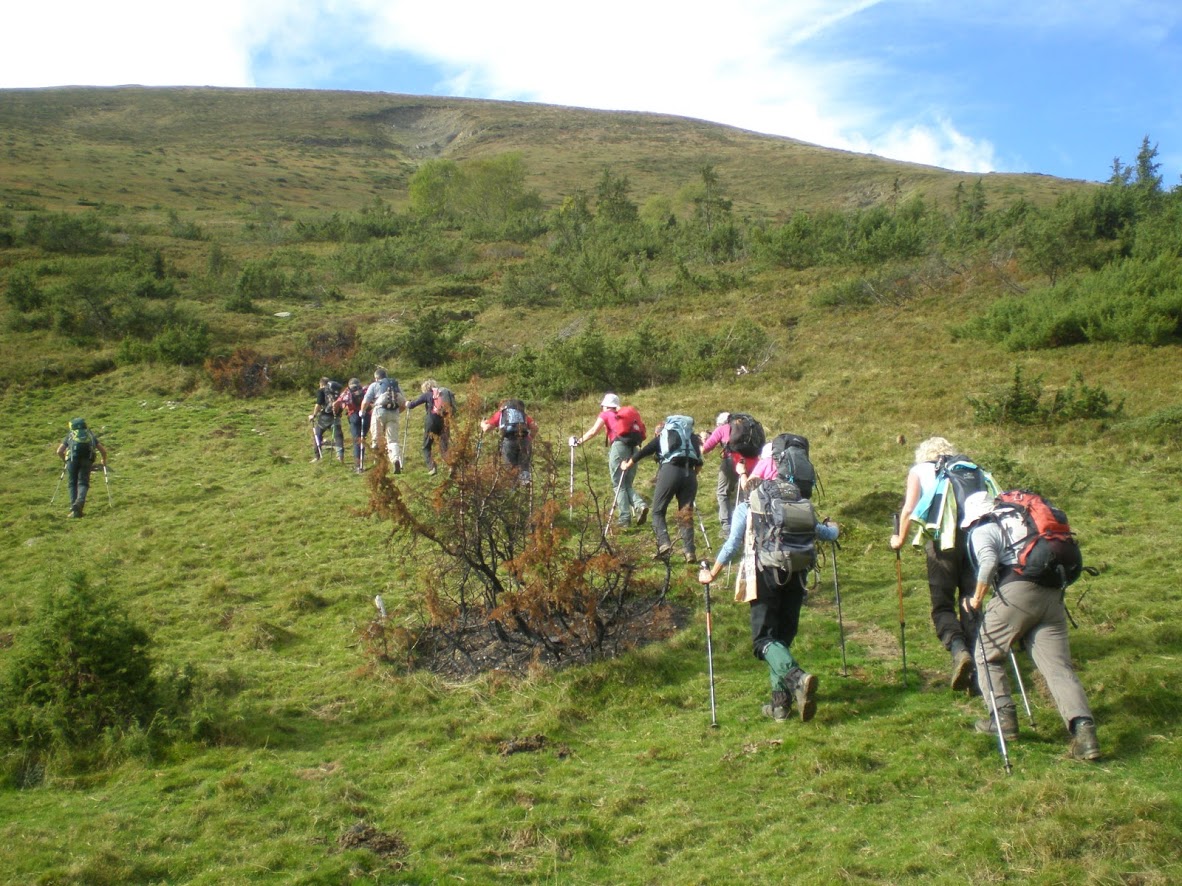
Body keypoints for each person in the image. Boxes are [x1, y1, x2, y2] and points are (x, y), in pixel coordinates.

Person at [962, 492, 1101, 761]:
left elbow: (989, 561)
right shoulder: (1023, 519)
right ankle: (1085, 734)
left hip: (1017, 593)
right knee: (1059, 668)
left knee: (986, 653)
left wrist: (977, 599)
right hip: (1053, 596)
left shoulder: (985, 526)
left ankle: (1003, 719)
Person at [698, 476, 839, 722]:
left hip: (766, 575)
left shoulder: (748, 507)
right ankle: (780, 707)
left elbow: (732, 545)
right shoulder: (794, 507)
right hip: (798, 573)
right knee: (782, 640)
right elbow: (826, 534)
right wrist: (834, 526)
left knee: (764, 640)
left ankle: (798, 678)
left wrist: (712, 573)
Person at [888, 436, 986, 692]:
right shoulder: (969, 469)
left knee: (942, 604)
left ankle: (958, 649)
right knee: (971, 601)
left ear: (924, 453)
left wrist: (899, 538)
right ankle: (980, 673)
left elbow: (909, 509)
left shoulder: (919, 470)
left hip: (942, 542)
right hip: (974, 541)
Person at [621, 416, 703, 562]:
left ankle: (664, 544)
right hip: (690, 474)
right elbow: (699, 464)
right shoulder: (691, 438)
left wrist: (627, 465)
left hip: (669, 471)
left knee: (658, 511)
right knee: (686, 514)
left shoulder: (663, 435)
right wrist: (690, 476)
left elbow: (643, 452)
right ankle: (690, 552)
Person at [569, 393, 648, 531]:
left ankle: (624, 519)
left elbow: (594, 431)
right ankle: (640, 505)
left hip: (619, 447)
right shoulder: (623, 416)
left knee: (618, 484)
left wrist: (578, 442)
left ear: (605, 405)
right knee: (627, 483)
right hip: (634, 449)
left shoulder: (605, 414)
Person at [56, 417, 108, 518]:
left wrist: (65, 461)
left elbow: (59, 451)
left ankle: (74, 510)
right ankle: (79, 502)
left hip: (71, 460)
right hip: (87, 460)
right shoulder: (90, 435)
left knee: (72, 484)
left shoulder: (70, 435)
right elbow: (103, 451)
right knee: (83, 483)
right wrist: (104, 460)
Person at [699, 412, 739, 539]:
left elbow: (705, 449)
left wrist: (702, 442)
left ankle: (727, 528)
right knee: (743, 494)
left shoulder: (721, 429)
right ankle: (746, 524)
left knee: (722, 493)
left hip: (731, 460)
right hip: (750, 461)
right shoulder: (741, 427)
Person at [480, 398, 538, 483]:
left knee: (510, 466)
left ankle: (513, 488)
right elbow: (535, 427)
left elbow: (487, 429)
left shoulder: (501, 414)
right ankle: (525, 486)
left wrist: (482, 424)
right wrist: (530, 438)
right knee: (524, 465)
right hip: (524, 440)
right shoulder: (523, 415)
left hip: (509, 441)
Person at [360, 367, 406, 473]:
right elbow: (403, 404)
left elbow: (365, 401)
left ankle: (379, 464)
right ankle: (395, 460)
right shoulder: (395, 385)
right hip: (394, 414)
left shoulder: (374, 385)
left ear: (376, 378)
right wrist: (397, 413)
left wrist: (362, 412)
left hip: (379, 412)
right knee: (392, 440)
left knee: (376, 439)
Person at [405, 379, 454, 476]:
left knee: (426, 446)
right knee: (444, 446)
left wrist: (407, 404)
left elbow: (412, 405)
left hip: (431, 420)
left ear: (425, 388)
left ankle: (432, 467)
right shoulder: (443, 394)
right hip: (445, 420)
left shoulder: (427, 394)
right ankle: (451, 466)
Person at [334, 378, 370, 473]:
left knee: (356, 440)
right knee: (363, 438)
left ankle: (358, 465)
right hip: (366, 415)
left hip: (353, 416)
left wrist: (336, 411)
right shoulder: (365, 389)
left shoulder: (347, 392)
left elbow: (338, 402)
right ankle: (366, 461)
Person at [308, 377, 345, 463]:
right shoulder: (335, 391)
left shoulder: (321, 391)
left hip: (324, 417)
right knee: (338, 436)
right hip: (336, 416)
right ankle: (340, 457)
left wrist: (313, 415)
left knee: (317, 435)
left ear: (321, 384)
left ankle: (317, 457)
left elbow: (318, 404)